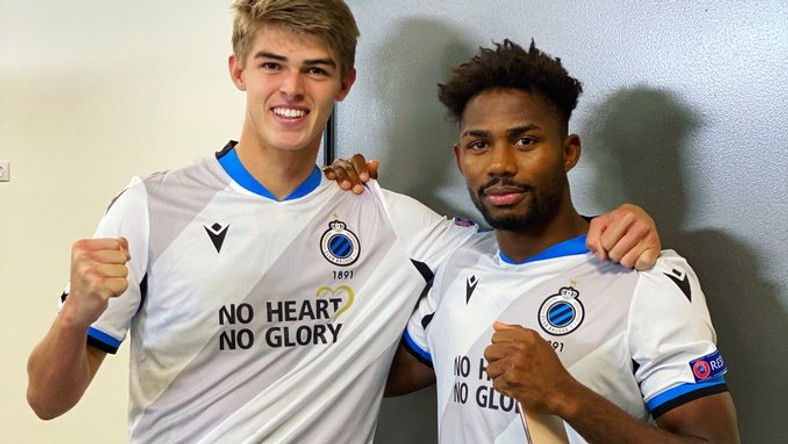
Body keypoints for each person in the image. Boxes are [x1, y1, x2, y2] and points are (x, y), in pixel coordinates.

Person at [25, 2, 661, 443]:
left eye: (316, 69)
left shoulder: (389, 217)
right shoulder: (149, 206)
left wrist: (617, 223)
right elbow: (47, 403)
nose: (292, 88)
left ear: (346, 83)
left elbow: (523, 243)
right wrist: (75, 314)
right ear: (238, 71)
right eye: (272, 64)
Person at [381, 40, 740, 443]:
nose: (499, 164)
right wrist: (339, 202)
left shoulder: (644, 275)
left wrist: (566, 397)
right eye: (479, 145)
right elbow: (376, 376)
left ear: (568, 152)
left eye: (525, 141)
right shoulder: (457, 262)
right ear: (461, 158)